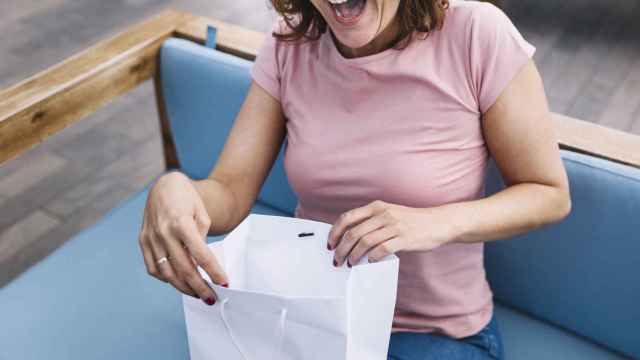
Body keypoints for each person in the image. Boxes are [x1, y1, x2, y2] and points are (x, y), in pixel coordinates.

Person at [138, 0, 572, 358]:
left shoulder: (477, 33)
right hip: (316, 324)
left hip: (435, 335)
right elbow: (229, 193)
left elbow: (548, 194)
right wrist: (176, 188)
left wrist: (434, 222)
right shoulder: (290, 45)